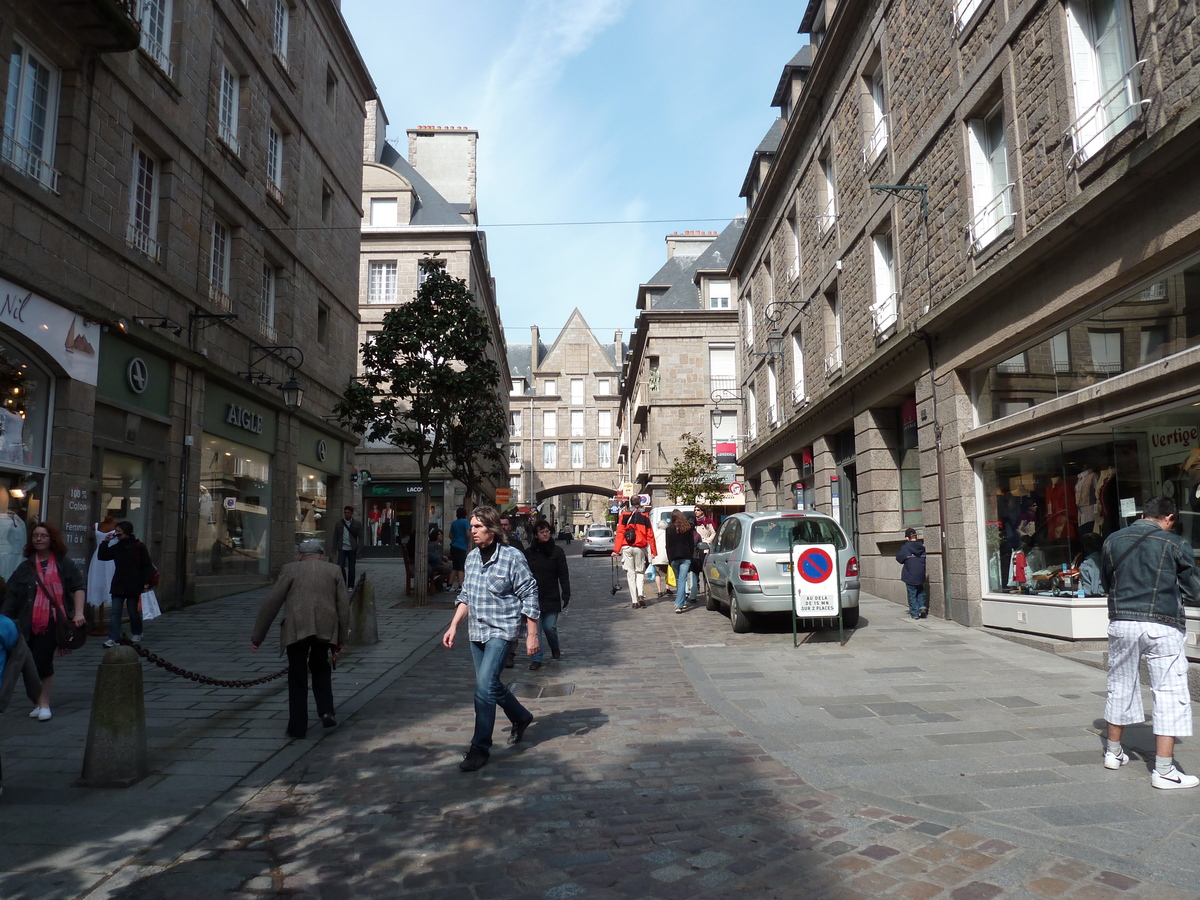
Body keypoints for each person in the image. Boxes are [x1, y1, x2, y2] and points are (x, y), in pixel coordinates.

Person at [1100, 497, 1200, 789]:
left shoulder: (1112, 541)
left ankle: (1113, 753)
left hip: (1122, 623)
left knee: (1119, 683)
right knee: (1168, 692)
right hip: (1162, 624)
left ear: (1144, 514)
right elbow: (1194, 591)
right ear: (1169, 517)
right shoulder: (1175, 543)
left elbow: (1108, 583)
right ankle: (1165, 771)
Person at [442, 506, 539, 772]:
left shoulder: (511, 557)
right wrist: (453, 626)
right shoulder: (471, 559)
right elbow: (466, 597)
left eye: (477, 527)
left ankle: (480, 746)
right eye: (471, 526)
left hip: (502, 630)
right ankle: (521, 716)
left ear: (492, 529)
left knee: (484, 688)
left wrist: (532, 634)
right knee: (490, 684)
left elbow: (530, 594)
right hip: (477, 632)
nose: (472, 531)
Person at [251, 539, 350, 739]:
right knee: (321, 666)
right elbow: (344, 607)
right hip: (325, 626)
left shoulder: (290, 569)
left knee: (297, 673)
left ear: (299, 555)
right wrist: (341, 639)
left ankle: (297, 726)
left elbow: (272, 602)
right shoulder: (334, 570)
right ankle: (326, 711)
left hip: (296, 627)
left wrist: (257, 637)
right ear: (321, 555)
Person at [0, 523, 86, 721]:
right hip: (26, 623)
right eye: (35, 536)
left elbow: (78, 587)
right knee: (28, 664)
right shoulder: (25, 567)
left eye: (43, 536)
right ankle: (38, 701)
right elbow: (11, 595)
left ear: (51, 539)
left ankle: (44, 702)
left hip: (52, 622)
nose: (38, 539)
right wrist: (4, 619)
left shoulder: (64, 564)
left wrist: (79, 613)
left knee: (43, 660)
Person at [98, 521, 154, 647]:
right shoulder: (117, 547)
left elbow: (146, 565)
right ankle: (113, 638)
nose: (116, 534)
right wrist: (105, 542)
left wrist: (146, 582)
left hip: (134, 584)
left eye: (119, 531)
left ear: (127, 531)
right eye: (116, 531)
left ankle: (137, 632)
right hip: (118, 584)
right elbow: (103, 556)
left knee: (132, 611)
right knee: (115, 611)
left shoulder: (139, 546)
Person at [525, 519, 570, 670]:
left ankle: (554, 646)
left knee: (549, 627)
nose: (545, 534)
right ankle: (536, 658)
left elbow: (563, 573)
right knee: (535, 630)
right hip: (533, 596)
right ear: (536, 535)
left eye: (547, 532)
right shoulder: (529, 552)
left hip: (551, 594)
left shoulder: (557, 551)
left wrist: (566, 592)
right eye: (542, 532)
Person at [613, 499, 656, 608]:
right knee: (640, 571)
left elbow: (620, 533)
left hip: (627, 547)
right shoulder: (645, 516)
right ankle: (641, 594)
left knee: (630, 574)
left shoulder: (624, 515)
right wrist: (654, 551)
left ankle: (634, 601)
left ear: (631, 503)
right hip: (639, 547)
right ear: (640, 503)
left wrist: (616, 550)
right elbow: (650, 534)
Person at [665, 510, 698, 614]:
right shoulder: (687, 528)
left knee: (679, 580)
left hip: (674, 557)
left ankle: (679, 604)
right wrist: (690, 554)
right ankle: (681, 602)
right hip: (686, 556)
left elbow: (668, 545)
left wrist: (669, 559)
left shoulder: (669, 529)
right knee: (682, 580)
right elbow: (691, 544)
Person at [87, 516, 116, 621]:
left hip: (112, 558)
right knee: (98, 580)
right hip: (98, 558)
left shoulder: (117, 526)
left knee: (110, 579)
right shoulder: (95, 526)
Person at [896, 527, 927, 619]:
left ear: (907, 538)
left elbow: (899, 559)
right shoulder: (922, 547)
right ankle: (922, 606)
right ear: (916, 537)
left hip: (910, 575)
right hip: (920, 574)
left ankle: (915, 613)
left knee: (912, 594)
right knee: (920, 590)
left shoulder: (905, 548)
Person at [332, 506, 361, 589]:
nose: (346, 514)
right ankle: (343, 583)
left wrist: (359, 548)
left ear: (352, 513)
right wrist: (334, 549)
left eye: (348, 513)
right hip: (342, 548)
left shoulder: (357, 524)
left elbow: (361, 536)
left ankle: (351, 585)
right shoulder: (339, 523)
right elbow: (335, 536)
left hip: (352, 549)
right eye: (345, 513)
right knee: (340, 566)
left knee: (352, 568)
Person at [692, 505, 717, 602]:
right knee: (695, 570)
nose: (696, 512)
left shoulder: (708, 522)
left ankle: (707, 587)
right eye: (695, 510)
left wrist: (707, 541)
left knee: (705, 569)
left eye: (698, 510)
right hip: (696, 548)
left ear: (702, 511)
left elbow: (713, 533)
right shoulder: (693, 522)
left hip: (705, 548)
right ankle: (696, 587)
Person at [448, 508, 470, 592]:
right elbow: (468, 534)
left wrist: (455, 539)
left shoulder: (454, 523)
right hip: (461, 546)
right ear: (465, 514)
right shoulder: (465, 522)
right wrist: (466, 541)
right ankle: (461, 586)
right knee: (461, 568)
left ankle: (449, 585)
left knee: (455, 567)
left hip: (453, 546)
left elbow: (450, 535)